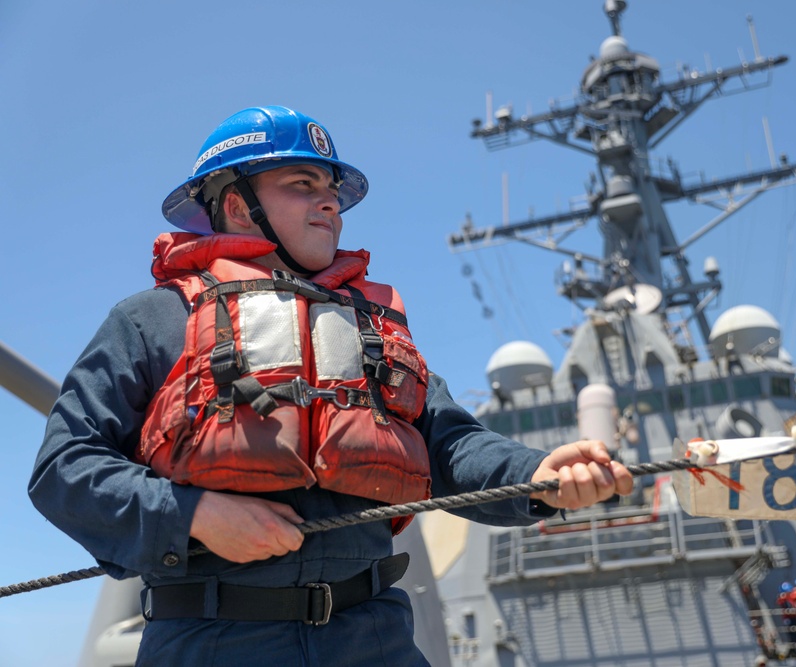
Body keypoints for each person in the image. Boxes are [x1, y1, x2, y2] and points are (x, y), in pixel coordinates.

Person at [27, 106, 634, 666]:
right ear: (237, 205)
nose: (331, 206)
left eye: (333, 191)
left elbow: (450, 442)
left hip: (374, 636)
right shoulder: (152, 320)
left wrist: (538, 475)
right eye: (303, 185)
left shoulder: (369, 326)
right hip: (213, 642)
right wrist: (195, 515)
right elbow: (64, 468)